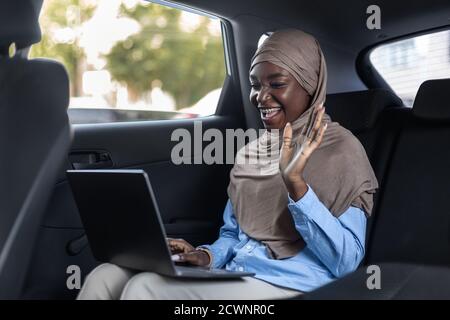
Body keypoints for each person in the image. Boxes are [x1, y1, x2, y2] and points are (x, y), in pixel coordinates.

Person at [77, 29, 378, 300]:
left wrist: (296, 185)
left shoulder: (343, 150)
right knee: (107, 277)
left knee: (145, 288)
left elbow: (346, 262)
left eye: (277, 83)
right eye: (255, 85)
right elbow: (235, 235)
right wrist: (205, 256)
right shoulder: (252, 154)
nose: (261, 96)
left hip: (294, 287)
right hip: (239, 273)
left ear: (310, 85)